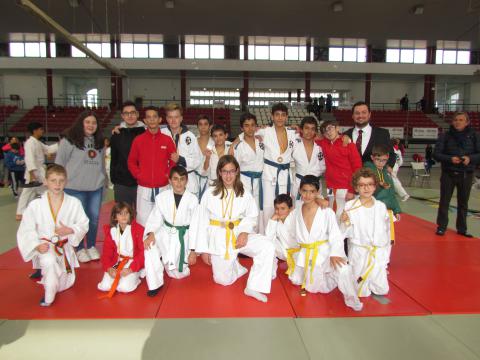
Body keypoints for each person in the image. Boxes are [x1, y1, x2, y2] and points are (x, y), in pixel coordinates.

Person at [190, 155, 275, 303]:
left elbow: (252, 216)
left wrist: (244, 231)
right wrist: (204, 250)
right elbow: (201, 221)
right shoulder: (210, 194)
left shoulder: (244, 193)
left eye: (231, 171)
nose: (228, 175)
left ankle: (254, 286)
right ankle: (235, 265)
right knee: (223, 281)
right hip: (218, 238)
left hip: (237, 233)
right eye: (224, 171)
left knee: (267, 246)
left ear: (237, 172)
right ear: (219, 173)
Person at [286, 175, 362, 311]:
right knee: (314, 288)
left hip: (325, 252)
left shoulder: (326, 212)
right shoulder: (296, 212)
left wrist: (335, 253)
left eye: (312, 191)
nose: (308, 195)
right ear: (299, 191)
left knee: (344, 270)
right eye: (304, 191)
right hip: (306, 253)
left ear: (318, 192)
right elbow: (290, 233)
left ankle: (352, 300)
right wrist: (294, 253)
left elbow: (335, 234)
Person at [17, 164, 89, 306]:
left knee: (62, 284)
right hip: (45, 246)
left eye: (61, 180)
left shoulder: (74, 203)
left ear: (66, 182)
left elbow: (84, 224)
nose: (57, 184)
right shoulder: (35, 205)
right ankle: (48, 295)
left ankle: (52, 282)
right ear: (45, 181)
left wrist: (71, 230)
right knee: (49, 263)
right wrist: (36, 245)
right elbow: (26, 228)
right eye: (53, 180)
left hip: (63, 248)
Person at [55, 110, 106, 263]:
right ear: (81, 123)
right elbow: (59, 164)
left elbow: (102, 165)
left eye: (94, 123)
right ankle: (78, 248)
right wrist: (57, 186)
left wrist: (104, 184)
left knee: (94, 219)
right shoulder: (69, 141)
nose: (91, 125)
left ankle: (90, 246)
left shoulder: (99, 143)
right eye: (88, 122)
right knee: (77, 220)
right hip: (74, 188)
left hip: (95, 188)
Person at [143, 166, 199, 296]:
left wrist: (193, 251)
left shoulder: (193, 200)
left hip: (182, 235)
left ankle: (166, 260)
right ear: (169, 181)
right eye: (175, 179)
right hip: (164, 232)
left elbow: (196, 226)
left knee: (178, 274)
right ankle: (155, 284)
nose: (179, 183)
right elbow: (155, 218)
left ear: (187, 181)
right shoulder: (161, 197)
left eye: (182, 179)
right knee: (149, 244)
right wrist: (151, 234)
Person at [341, 168, 391, 298]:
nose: (366, 188)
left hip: (377, 251)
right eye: (362, 185)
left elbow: (387, 232)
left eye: (369, 184)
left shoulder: (380, 206)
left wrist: (385, 255)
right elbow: (343, 233)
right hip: (359, 251)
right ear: (356, 188)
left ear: (375, 187)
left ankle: (377, 275)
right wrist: (345, 222)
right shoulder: (350, 206)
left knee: (382, 290)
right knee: (361, 293)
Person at [128, 106, 177, 226]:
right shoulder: (138, 140)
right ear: (145, 120)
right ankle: (143, 245)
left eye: (154, 117)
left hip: (163, 187)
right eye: (148, 117)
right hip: (144, 187)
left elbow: (174, 161)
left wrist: (167, 175)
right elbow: (131, 161)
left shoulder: (167, 140)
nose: (152, 120)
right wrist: (139, 175)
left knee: (163, 221)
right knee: (142, 222)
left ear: (160, 119)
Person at [434, 112, 480, 237]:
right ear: (452, 122)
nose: (458, 122)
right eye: (455, 120)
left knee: (463, 203)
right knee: (444, 201)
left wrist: (470, 158)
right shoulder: (445, 136)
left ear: (467, 122)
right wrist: (450, 159)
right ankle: (441, 227)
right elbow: (437, 154)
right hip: (448, 173)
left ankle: (462, 229)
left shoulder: (475, 136)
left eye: (461, 120)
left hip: (466, 174)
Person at [257, 103, 298, 227]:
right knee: (268, 205)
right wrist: (234, 142)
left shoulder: (292, 134)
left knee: (284, 206)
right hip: (269, 174)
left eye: (283, 115)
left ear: (286, 117)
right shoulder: (264, 131)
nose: (280, 118)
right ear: (272, 116)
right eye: (277, 115)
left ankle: (284, 234)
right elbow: (247, 134)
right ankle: (266, 236)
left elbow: (311, 136)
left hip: (285, 174)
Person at [97, 202, 145, 298]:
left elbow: (143, 252)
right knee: (105, 286)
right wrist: (109, 268)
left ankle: (137, 276)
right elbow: (107, 253)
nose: (123, 216)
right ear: (115, 217)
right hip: (118, 261)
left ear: (130, 215)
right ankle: (124, 277)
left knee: (124, 288)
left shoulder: (138, 230)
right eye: (120, 214)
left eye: (126, 213)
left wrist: (131, 269)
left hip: (133, 262)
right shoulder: (112, 231)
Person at [317, 120, 362, 220]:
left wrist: (352, 189)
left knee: (347, 216)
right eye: (325, 131)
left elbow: (357, 168)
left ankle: (347, 236)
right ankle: (335, 235)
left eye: (330, 128)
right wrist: (298, 129)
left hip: (346, 187)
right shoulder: (324, 143)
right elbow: (309, 136)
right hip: (330, 187)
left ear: (337, 128)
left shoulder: (349, 144)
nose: (328, 132)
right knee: (333, 213)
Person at [16, 122, 58, 221]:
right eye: (41, 129)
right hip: (34, 171)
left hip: (39, 171)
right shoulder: (30, 143)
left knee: (35, 192)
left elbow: (48, 149)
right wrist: (32, 174)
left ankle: (23, 212)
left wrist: (60, 144)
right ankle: (20, 213)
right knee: (29, 192)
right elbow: (29, 159)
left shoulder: (37, 142)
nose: (42, 131)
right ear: (35, 131)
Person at [161, 103, 202, 198]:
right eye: (170, 117)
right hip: (167, 182)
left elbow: (197, 160)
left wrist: (180, 160)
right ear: (166, 119)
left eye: (176, 117)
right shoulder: (162, 134)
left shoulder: (190, 136)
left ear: (181, 118)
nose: (173, 120)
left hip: (187, 182)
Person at [231, 113, 264, 229]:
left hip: (261, 181)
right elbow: (234, 168)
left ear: (256, 126)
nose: (250, 129)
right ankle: (245, 235)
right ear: (241, 128)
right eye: (246, 125)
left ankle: (259, 235)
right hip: (245, 181)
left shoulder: (261, 141)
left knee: (260, 210)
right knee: (245, 209)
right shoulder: (238, 146)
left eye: (252, 125)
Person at [110, 101, 145, 208]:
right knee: (123, 217)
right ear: (122, 116)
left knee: (142, 218)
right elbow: (114, 159)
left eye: (132, 112)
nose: (130, 116)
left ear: (137, 114)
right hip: (122, 183)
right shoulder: (117, 134)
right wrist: (114, 179)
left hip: (142, 183)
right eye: (126, 113)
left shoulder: (146, 132)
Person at [344, 101, 396, 167]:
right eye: (357, 113)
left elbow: (391, 156)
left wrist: (384, 170)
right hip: (351, 176)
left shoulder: (382, 134)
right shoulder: (345, 135)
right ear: (352, 116)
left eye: (364, 112)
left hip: (375, 176)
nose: (360, 116)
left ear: (369, 115)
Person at [291, 116, 325, 203]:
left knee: (316, 213)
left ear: (315, 131)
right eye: (306, 128)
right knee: (298, 213)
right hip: (299, 184)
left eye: (312, 129)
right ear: (301, 129)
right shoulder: (295, 144)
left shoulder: (321, 146)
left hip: (316, 185)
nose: (309, 132)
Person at [264, 194, 296, 278]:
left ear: (291, 208)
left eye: (283, 208)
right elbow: (268, 238)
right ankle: (270, 273)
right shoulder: (277, 221)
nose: (279, 212)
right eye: (277, 209)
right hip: (285, 252)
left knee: (296, 280)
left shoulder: (296, 220)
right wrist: (272, 220)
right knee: (269, 245)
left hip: (298, 254)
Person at [195, 114, 213, 201]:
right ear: (197, 126)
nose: (203, 127)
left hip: (210, 180)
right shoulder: (192, 142)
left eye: (206, 124)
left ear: (210, 126)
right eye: (200, 124)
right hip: (194, 180)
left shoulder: (215, 142)